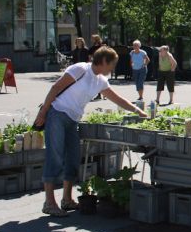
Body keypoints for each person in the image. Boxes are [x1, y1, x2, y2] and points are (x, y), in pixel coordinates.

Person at [34, 46, 147, 217]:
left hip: (73, 119)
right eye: (112, 64)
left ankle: (67, 199)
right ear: (103, 61)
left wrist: (137, 110)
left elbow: (116, 98)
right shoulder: (80, 69)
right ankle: (49, 202)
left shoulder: (100, 80)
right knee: (55, 156)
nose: (113, 68)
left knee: (72, 158)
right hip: (57, 114)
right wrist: (43, 112)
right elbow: (56, 88)